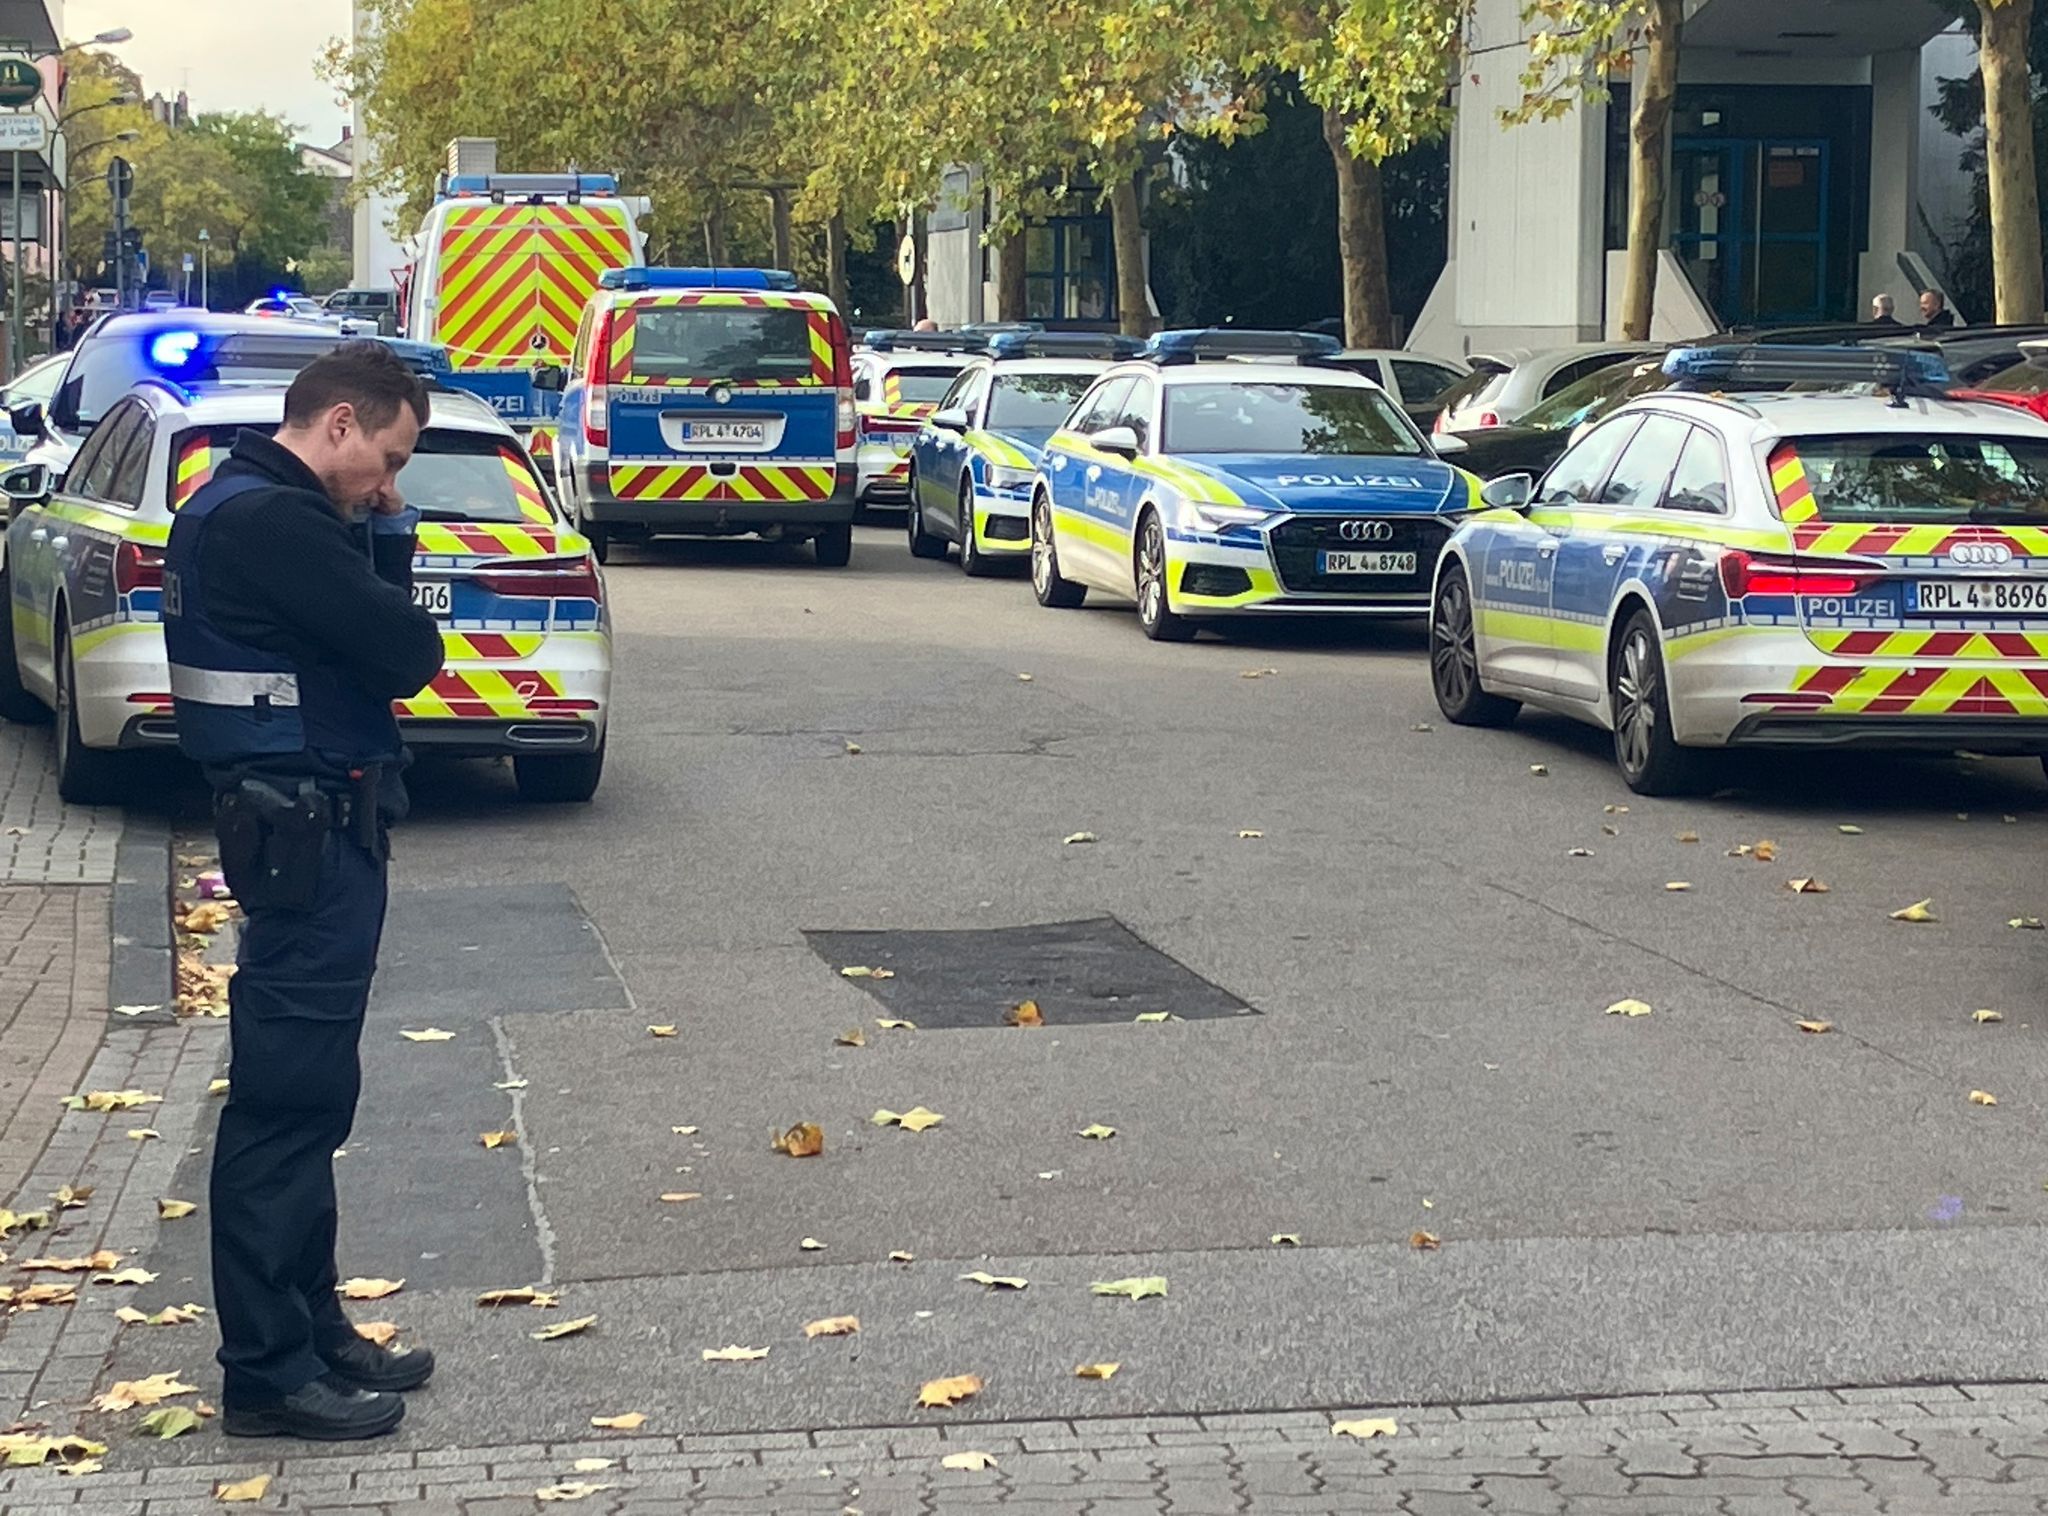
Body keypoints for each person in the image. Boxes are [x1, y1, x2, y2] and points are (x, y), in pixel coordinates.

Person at [164, 341, 447, 1441]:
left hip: (304, 830)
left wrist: (366, 528)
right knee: (286, 1102)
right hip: (308, 838)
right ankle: (268, 1371)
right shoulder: (275, 523)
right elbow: (406, 649)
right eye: (385, 457)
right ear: (336, 422)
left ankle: (311, 1324)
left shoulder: (234, 504)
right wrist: (381, 540)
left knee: (310, 1090)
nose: (388, 485)